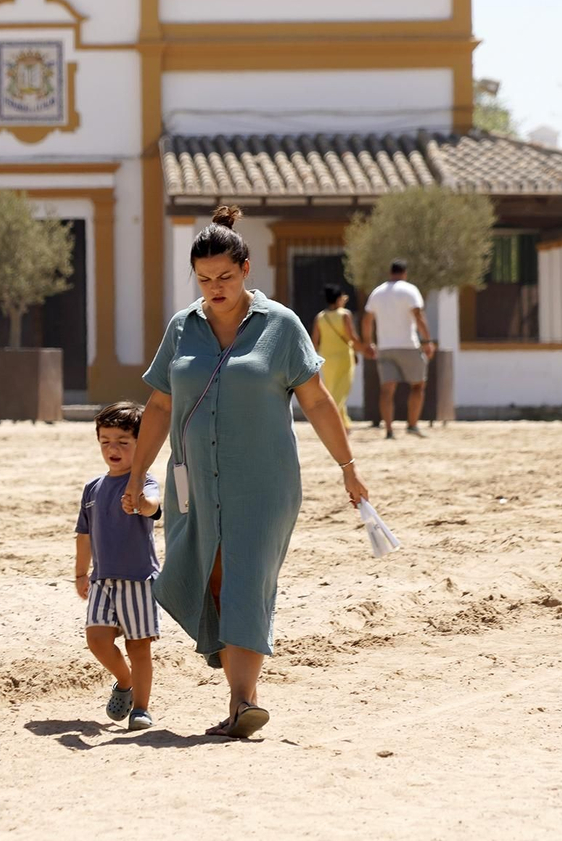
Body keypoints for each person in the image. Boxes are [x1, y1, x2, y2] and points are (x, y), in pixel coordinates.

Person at [127, 205, 371, 740]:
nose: (215, 288)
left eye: (226, 277)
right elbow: (161, 406)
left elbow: (319, 401)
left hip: (264, 484)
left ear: (246, 269)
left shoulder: (280, 326)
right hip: (194, 482)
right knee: (212, 577)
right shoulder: (182, 327)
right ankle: (234, 667)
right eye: (205, 279)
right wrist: (136, 473)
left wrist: (348, 467)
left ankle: (243, 701)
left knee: (248, 578)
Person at [74, 401, 162, 731]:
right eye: (105, 441)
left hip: (139, 579)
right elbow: (83, 534)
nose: (113, 448)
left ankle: (141, 708)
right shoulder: (93, 488)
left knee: (138, 647)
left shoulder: (144, 481)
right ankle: (124, 681)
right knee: (97, 639)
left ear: (141, 444)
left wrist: (139, 502)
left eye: (123, 442)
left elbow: (154, 506)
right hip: (102, 580)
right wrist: (81, 573)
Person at [362, 259, 435, 439]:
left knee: (387, 390)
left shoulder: (377, 292)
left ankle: (388, 430)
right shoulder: (410, 290)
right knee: (418, 385)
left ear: (390, 272)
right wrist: (427, 341)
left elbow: (367, 320)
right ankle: (412, 425)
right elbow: (418, 316)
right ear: (405, 273)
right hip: (408, 345)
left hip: (385, 347)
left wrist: (368, 342)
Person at [311, 284, 367, 430]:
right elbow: (352, 337)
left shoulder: (320, 317)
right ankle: (327, 416)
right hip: (343, 357)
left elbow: (315, 341)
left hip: (327, 359)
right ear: (338, 299)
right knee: (342, 389)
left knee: (332, 388)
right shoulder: (345, 314)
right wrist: (364, 350)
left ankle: (343, 424)